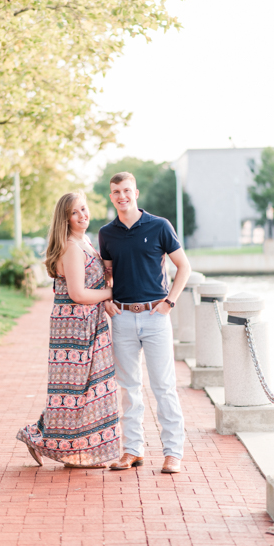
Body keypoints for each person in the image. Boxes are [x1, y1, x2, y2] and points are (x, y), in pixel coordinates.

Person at [17, 191, 120, 468]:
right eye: (75, 212)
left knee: (89, 389)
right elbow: (77, 293)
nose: (82, 215)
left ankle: (76, 450)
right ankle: (47, 441)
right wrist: (111, 292)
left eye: (84, 209)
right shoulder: (72, 248)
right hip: (74, 329)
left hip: (90, 324)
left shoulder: (85, 241)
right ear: (65, 218)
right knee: (74, 392)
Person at [98, 172, 192, 474]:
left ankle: (173, 453)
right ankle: (132, 451)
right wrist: (107, 298)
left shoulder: (160, 226)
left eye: (126, 190)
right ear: (111, 196)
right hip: (123, 318)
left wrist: (169, 302)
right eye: (116, 192)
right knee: (128, 388)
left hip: (155, 317)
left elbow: (184, 267)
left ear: (135, 192)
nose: (121, 196)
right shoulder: (106, 233)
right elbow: (108, 274)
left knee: (164, 386)